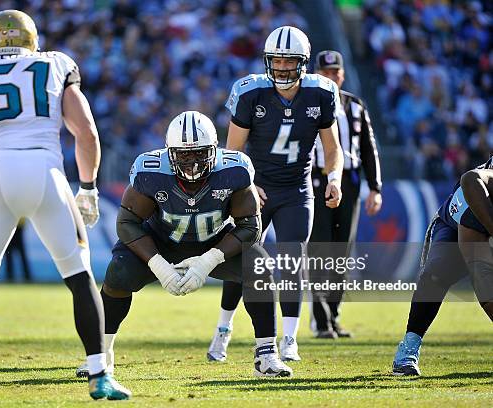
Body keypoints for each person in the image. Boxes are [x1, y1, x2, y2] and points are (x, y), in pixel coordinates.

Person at [0, 10, 130, 401]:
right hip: (45, 173)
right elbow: (86, 133)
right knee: (79, 277)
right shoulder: (56, 64)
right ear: (32, 40)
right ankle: (98, 375)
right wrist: (88, 188)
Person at [85, 111, 292, 378]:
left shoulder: (234, 170)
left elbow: (250, 226)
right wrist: (158, 265)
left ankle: (266, 355)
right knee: (119, 271)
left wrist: (209, 260)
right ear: (169, 152)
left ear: (214, 151)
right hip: (162, 242)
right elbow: (127, 223)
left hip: (213, 241)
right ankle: (100, 355)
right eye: (183, 154)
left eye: (199, 153)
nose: (191, 162)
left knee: (259, 266)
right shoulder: (151, 172)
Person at [208, 26, 344, 363]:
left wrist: (335, 178)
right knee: (242, 259)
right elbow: (233, 151)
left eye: (289, 60)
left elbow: (333, 148)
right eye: (276, 60)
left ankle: (289, 339)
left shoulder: (322, 93)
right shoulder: (250, 92)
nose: (282, 67)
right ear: (267, 61)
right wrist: (248, 184)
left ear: (303, 63)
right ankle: (223, 329)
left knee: (291, 262)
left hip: (297, 189)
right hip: (256, 188)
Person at [392, 156, 493, 376]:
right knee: (435, 275)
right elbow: (482, 279)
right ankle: (409, 347)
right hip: (457, 226)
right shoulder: (478, 195)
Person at [310, 50, 382, 339]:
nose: (331, 77)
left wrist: (375, 187)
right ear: (316, 74)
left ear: (341, 75)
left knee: (342, 251)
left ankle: (334, 314)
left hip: (349, 182)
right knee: (320, 248)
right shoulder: (308, 103)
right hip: (316, 179)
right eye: (325, 73)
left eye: (335, 73)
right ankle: (321, 319)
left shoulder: (355, 105)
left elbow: (369, 148)